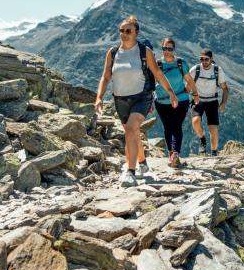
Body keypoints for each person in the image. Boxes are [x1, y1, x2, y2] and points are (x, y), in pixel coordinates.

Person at [94, 15, 178, 187]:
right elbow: (106, 76)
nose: (124, 34)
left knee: (131, 129)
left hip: (142, 96)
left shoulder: (143, 51)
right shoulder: (112, 53)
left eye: (128, 31)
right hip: (120, 99)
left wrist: (171, 92)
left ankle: (130, 172)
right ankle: (142, 163)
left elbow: (157, 73)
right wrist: (99, 97)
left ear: (136, 33)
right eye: (121, 31)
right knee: (132, 132)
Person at [154, 37, 199, 168]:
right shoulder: (157, 64)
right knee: (168, 127)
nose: (167, 51)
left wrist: (195, 94)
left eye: (170, 48)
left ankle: (175, 154)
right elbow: (151, 83)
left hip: (181, 100)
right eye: (164, 48)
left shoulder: (180, 63)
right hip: (162, 102)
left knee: (177, 126)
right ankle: (171, 153)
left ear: (174, 49)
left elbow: (189, 80)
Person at [189, 48, 229, 156]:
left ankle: (214, 152)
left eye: (206, 59)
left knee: (213, 128)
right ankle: (202, 139)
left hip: (212, 101)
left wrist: (223, 103)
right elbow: (188, 84)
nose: (203, 61)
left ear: (211, 59)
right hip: (198, 99)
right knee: (195, 121)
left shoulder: (217, 70)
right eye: (201, 59)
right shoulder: (195, 69)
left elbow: (225, 88)